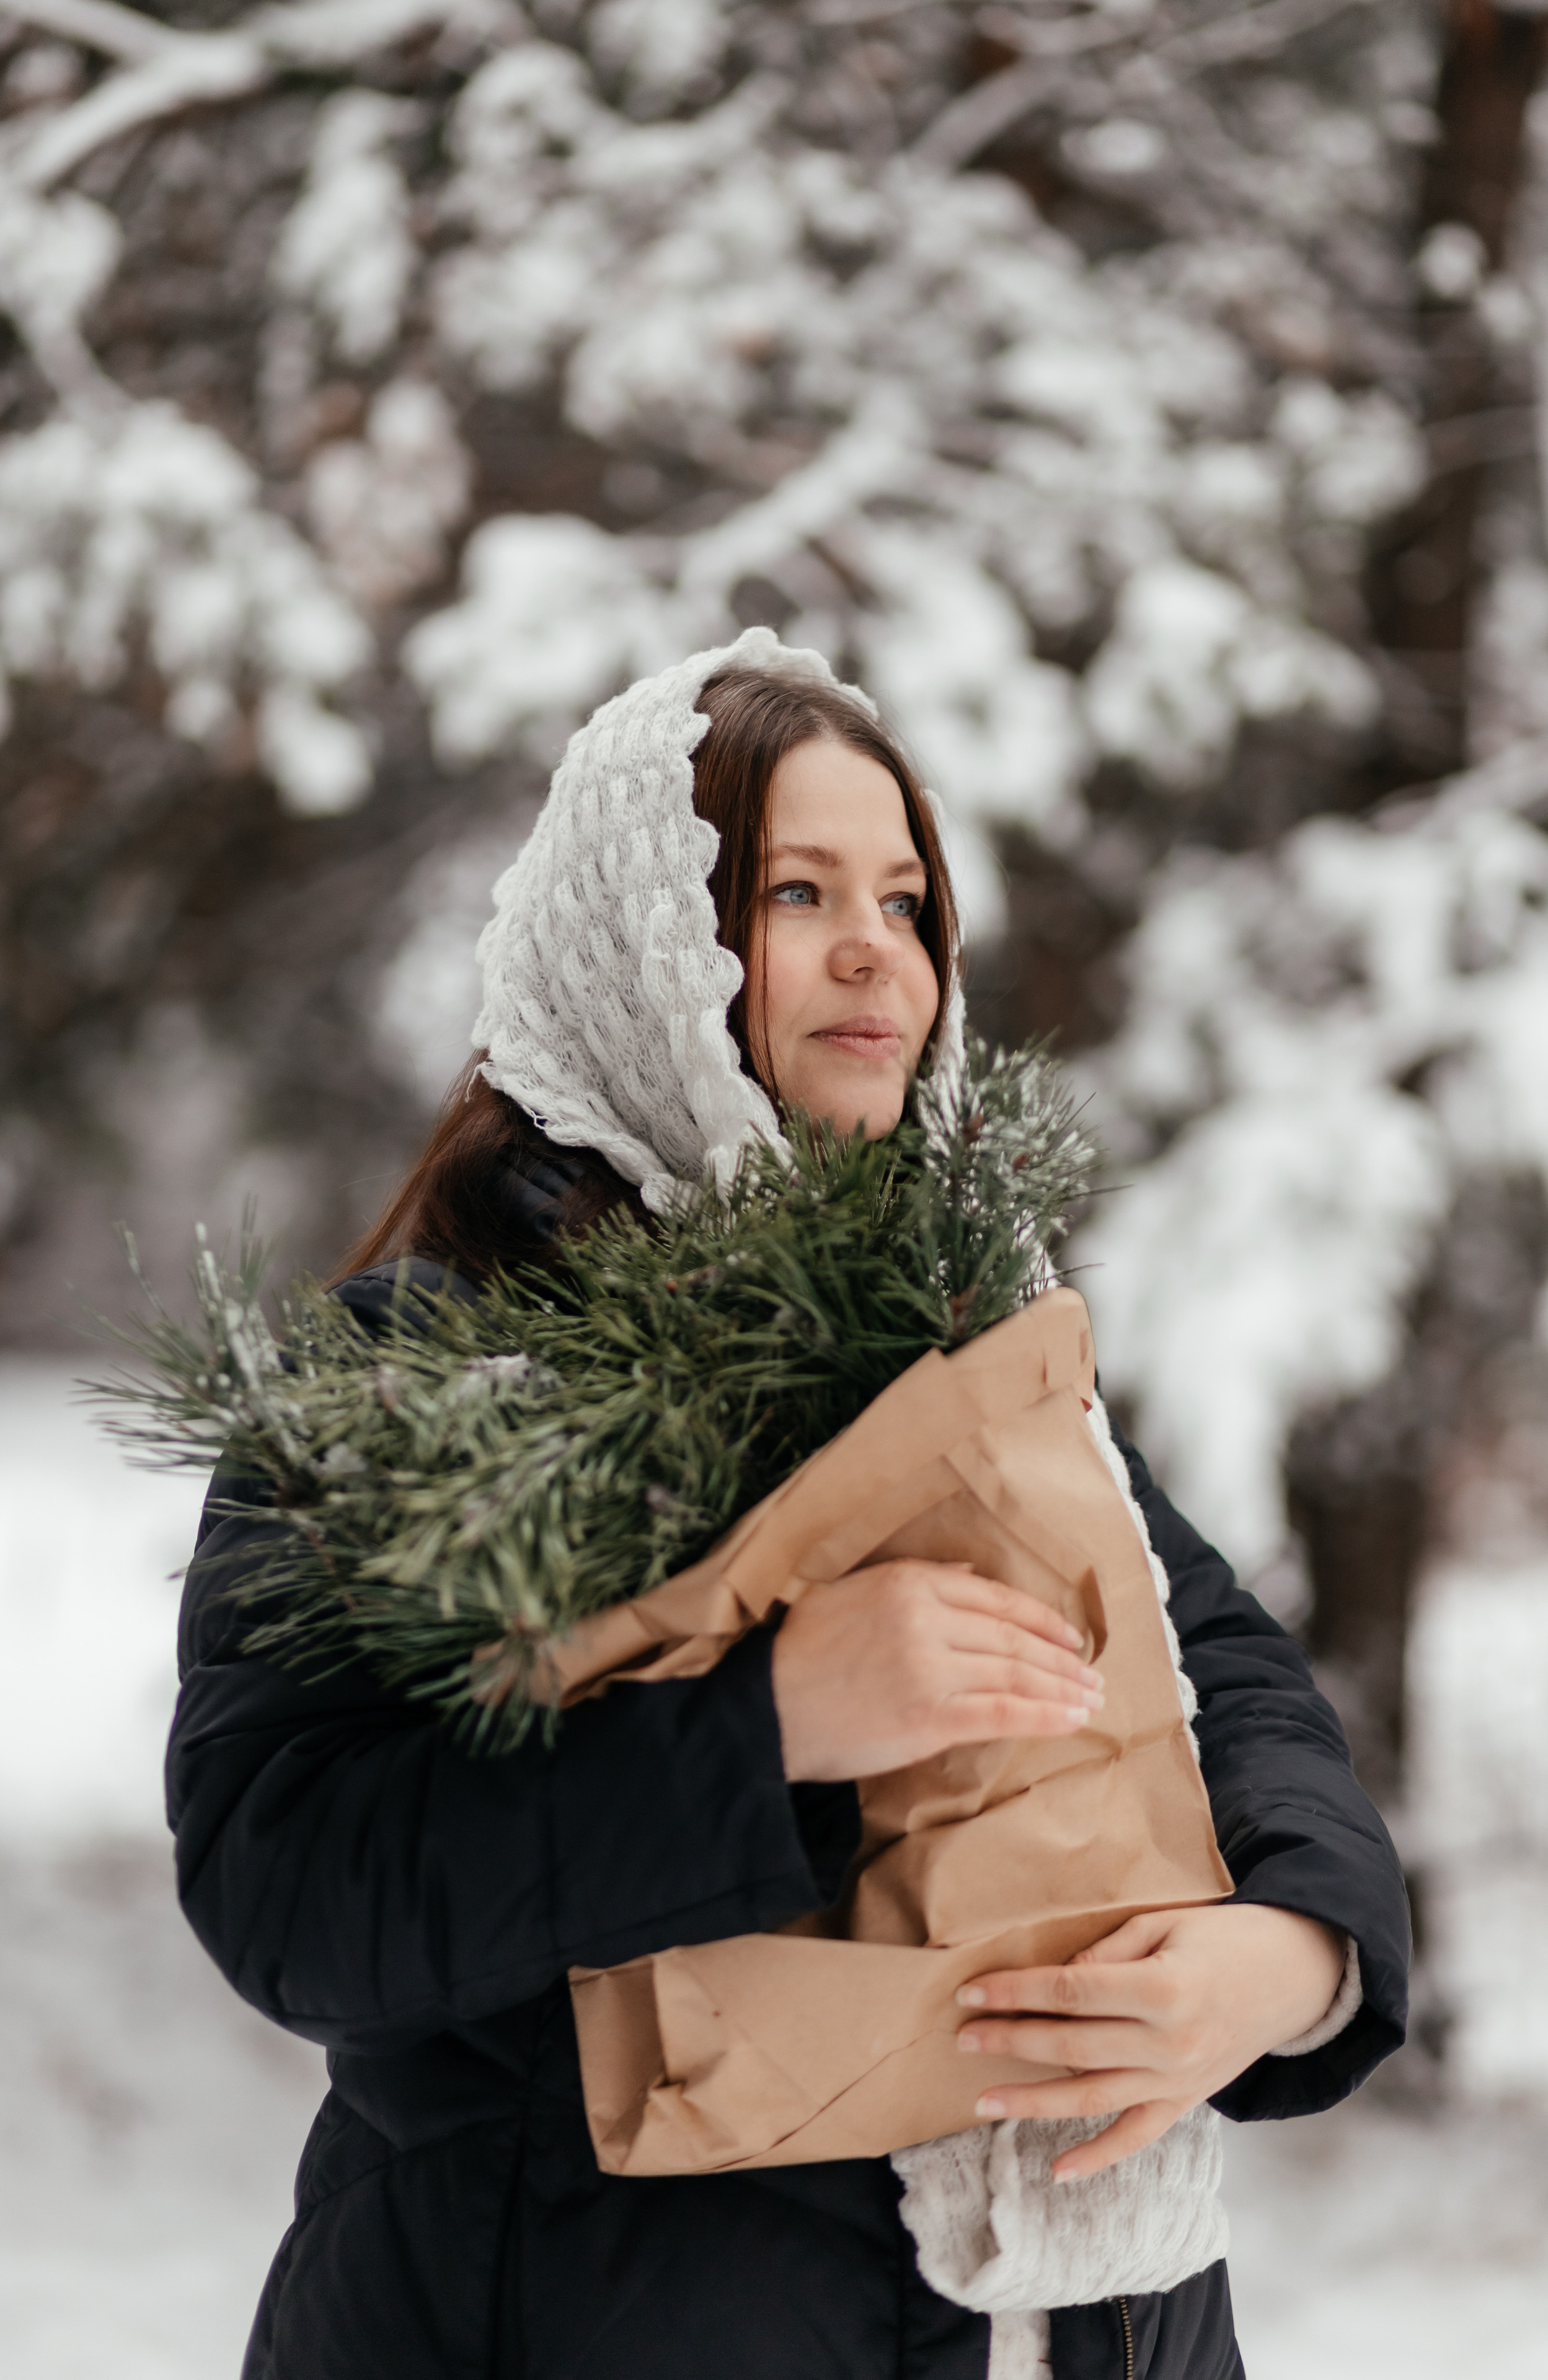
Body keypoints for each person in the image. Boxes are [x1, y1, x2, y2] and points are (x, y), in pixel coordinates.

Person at [170, 628, 1410, 2380]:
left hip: (1074, 2326)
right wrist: (766, 1726)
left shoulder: (966, 1345)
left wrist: (1288, 1960)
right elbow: (288, 1881)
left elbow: (1232, 1681)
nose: (872, 956)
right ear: (647, 939)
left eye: (906, 903)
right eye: (793, 891)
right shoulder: (415, 1372)